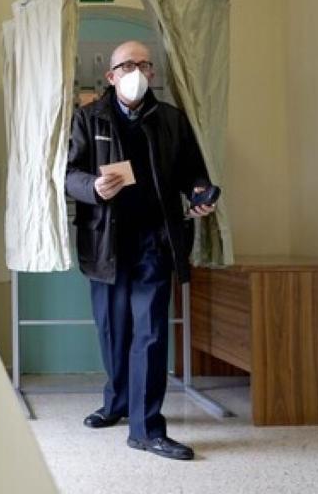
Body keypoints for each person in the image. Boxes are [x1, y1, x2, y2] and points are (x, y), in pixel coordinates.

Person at [65, 40, 216, 461]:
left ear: (153, 75)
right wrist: (92, 187)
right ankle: (116, 403)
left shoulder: (171, 120)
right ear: (110, 76)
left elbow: (194, 175)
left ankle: (146, 428)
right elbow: (68, 174)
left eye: (144, 65)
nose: (136, 71)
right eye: (126, 64)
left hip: (155, 240)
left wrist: (202, 193)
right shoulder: (88, 117)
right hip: (106, 241)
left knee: (149, 334)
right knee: (112, 331)